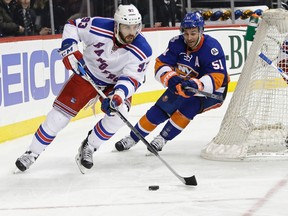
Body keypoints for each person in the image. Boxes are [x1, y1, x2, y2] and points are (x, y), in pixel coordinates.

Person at [15, 4, 152, 172]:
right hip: (87, 74)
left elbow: (131, 79)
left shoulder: (143, 49)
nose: (132, 32)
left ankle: (89, 146)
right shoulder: (99, 26)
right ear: (116, 25)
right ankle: (32, 153)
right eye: (126, 27)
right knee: (58, 117)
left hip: (115, 85)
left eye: (135, 27)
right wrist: (69, 47)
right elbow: (72, 26)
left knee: (120, 113)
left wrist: (117, 97)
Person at [115, 12, 230, 153]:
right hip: (184, 84)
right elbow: (160, 64)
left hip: (212, 92)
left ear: (201, 31)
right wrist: (172, 79)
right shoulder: (176, 43)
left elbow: (217, 77)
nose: (189, 38)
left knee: (188, 106)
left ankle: (162, 139)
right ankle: (133, 138)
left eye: (193, 33)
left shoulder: (212, 48)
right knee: (159, 109)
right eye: (186, 33)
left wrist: (196, 85)